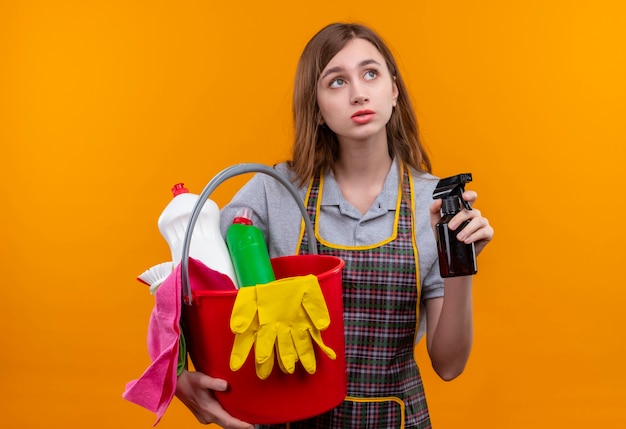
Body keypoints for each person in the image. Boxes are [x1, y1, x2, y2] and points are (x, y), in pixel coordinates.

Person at [175, 22, 494, 429]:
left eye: (371, 74)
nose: (358, 92)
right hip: (289, 417)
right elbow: (197, 280)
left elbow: (449, 365)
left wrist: (459, 263)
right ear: (317, 108)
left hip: (394, 419)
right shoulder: (274, 192)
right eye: (337, 81)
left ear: (393, 90)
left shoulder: (433, 203)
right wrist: (181, 373)